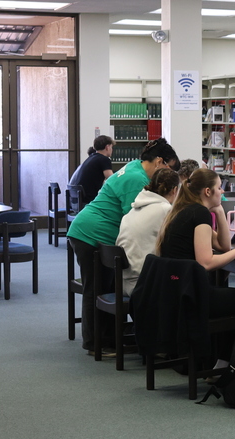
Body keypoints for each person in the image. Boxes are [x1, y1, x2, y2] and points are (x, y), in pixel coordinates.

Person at [67, 137, 180, 355]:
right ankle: (94, 343)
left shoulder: (133, 168)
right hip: (91, 234)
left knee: (104, 287)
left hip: (95, 233)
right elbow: (137, 220)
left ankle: (108, 339)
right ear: (159, 162)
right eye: (169, 167)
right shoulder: (137, 180)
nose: (168, 174)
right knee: (96, 288)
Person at [156, 168, 235, 362]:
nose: (223, 192)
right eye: (219, 188)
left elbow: (222, 245)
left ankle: (221, 361)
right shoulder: (199, 213)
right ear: (208, 192)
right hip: (193, 296)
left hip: (176, 291)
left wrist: (219, 211)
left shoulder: (185, 210)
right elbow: (206, 262)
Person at [116, 168, 179, 297]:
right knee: (188, 281)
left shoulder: (135, 208)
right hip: (143, 284)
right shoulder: (165, 209)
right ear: (175, 190)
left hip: (123, 282)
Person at [69, 135, 115, 205]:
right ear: (107, 147)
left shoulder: (91, 158)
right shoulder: (104, 159)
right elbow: (112, 180)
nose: (112, 150)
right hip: (88, 201)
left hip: (75, 201)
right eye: (111, 147)